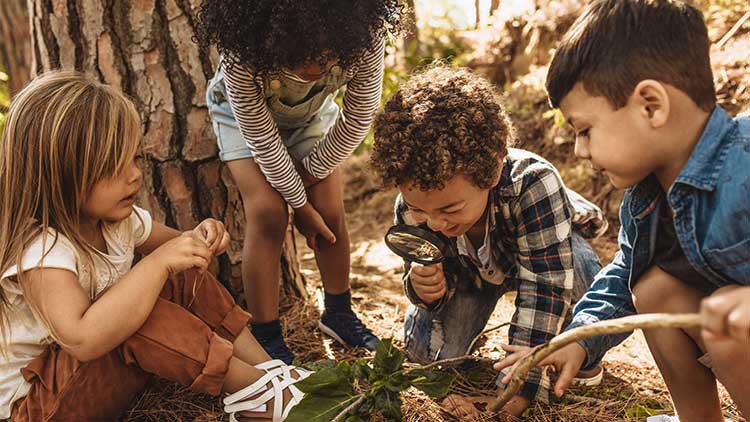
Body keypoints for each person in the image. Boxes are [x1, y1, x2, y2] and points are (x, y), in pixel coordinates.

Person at [0, 71, 308, 422]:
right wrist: (156, 264)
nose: (134, 175)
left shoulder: (119, 223)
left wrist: (201, 237)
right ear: (59, 174)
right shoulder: (43, 252)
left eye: (135, 159)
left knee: (177, 276)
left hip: (89, 384)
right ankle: (258, 397)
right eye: (113, 167)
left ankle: (270, 373)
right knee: (139, 309)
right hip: (36, 408)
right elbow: (82, 340)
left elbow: (183, 252)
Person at [496, 1, 750, 420]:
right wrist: (576, 339)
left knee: (727, 314)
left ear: (651, 105)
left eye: (585, 130)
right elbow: (621, 281)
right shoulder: (645, 202)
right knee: (653, 290)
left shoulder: (742, 159)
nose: (580, 150)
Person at [369, 65, 608, 418]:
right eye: (422, 210)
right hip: (471, 275)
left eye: (450, 207)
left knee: (582, 269)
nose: (434, 222)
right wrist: (425, 289)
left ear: (493, 170)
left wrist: (520, 384)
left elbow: (544, 286)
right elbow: (418, 274)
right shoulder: (414, 204)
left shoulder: (534, 183)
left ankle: (583, 354)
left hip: (544, 257)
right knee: (426, 354)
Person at [194, 0, 405, 363]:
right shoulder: (242, 53)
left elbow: (357, 118)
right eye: (300, 57)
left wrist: (309, 184)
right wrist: (299, 205)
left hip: (311, 118)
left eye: (326, 58)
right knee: (267, 212)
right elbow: (261, 139)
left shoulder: (365, 35)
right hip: (242, 120)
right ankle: (266, 334)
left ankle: (339, 313)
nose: (313, 68)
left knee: (330, 210)